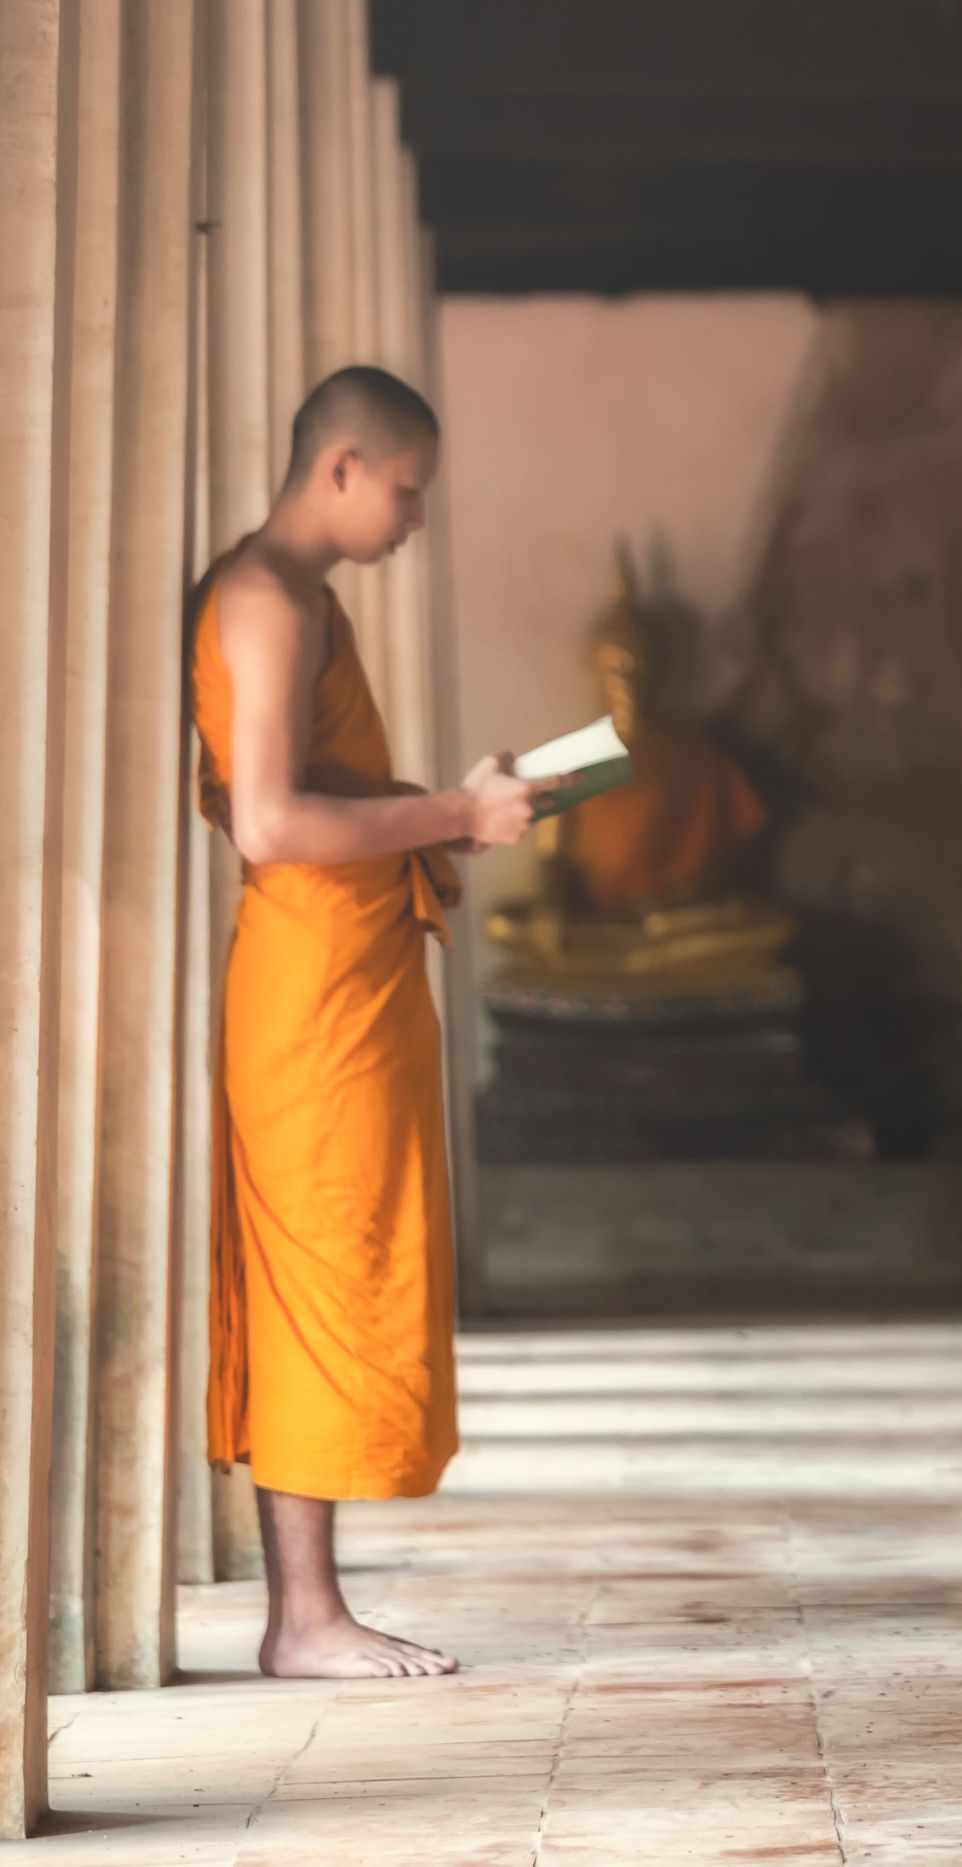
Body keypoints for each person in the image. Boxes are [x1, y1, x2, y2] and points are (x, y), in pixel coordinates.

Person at [191, 365, 561, 1678]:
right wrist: (456, 817)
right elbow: (275, 823)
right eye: (405, 490)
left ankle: (311, 1610)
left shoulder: (303, 599)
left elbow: (317, 795)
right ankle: (303, 1619)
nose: (412, 518)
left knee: (342, 1261)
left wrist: (457, 799)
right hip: (308, 989)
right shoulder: (264, 597)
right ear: (340, 467)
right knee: (318, 1272)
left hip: (343, 976)